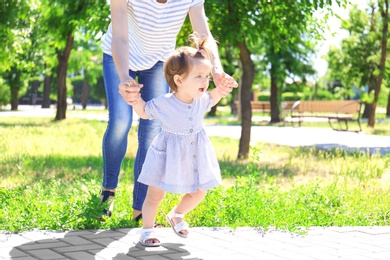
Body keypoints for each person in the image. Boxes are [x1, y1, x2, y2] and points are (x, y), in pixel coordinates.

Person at [100, 0, 238, 221]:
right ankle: (108, 190)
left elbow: (204, 34)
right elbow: (120, 37)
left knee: (152, 129)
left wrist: (218, 70)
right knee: (120, 121)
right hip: (119, 53)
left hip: (158, 61)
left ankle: (140, 208)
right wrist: (125, 76)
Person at [129, 34, 237, 247]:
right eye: (199, 77)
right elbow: (143, 112)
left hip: (194, 153)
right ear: (178, 80)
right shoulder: (164, 103)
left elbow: (217, 93)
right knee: (154, 195)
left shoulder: (202, 99)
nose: (205, 81)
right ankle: (147, 230)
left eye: (207, 76)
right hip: (166, 154)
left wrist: (226, 85)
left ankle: (176, 215)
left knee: (199, 192)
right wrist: (134, 99)